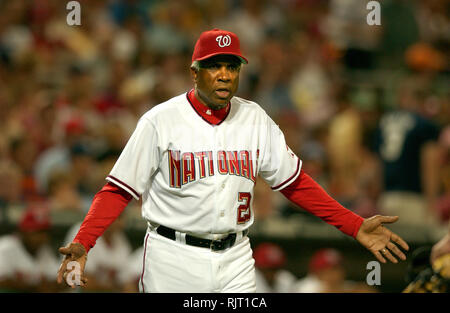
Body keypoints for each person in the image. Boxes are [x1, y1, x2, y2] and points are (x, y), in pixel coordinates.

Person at [57, 28, 409, 293]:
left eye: (231, 66)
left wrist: (353, 225)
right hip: (174, 257)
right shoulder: (160, 120)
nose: (224, 74)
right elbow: (118, 190)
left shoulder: (255, 118)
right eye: (214, 66)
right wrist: (84, 241)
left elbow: (295, 183)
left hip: (236, 254)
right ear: (194, 72)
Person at [0, 208, 62, 292]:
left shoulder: (44, 250)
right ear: (22, 232)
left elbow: (56, 278)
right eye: (36, 232)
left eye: (44, 232)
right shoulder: (5, 246)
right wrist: (35, 288)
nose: (42, 237)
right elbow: (2, 281)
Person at [294, 248, 377, 293]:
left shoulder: (344, 284)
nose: (335, 274)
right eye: (328, 270)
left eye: (338, 268)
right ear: (317, 273)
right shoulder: (306, 286)